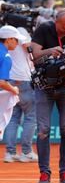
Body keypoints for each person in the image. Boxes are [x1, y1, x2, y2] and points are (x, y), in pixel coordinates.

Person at [31, 8, 65, 183]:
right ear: (56, 22)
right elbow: (34, 55)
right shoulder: (44, 29)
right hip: (44, 85)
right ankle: (44, 173)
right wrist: (50, 51)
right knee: (43, 129)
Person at [3, 27, 38, 163]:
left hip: (9, 81)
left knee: (13, 118)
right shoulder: (21, 32)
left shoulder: (7, 33)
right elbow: (31, 51)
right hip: (24, 80)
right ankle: (26, 152)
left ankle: (10, 153)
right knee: (30, 117)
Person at [0, 26, 22, 142]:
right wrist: (13, 89)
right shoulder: (6, 57)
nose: (17, 43)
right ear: (8, 39)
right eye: (16, 40)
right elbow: (2, 82)